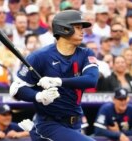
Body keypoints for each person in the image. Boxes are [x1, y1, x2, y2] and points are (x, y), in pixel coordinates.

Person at [9, 10, 99, 141]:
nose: (82, 31)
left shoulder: (85, 53)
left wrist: (57, 81)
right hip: (50, 123)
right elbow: (16, 89)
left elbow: (91, 80)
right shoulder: (39, 56)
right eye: (78, 27)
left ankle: (35, 134)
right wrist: (39, 96)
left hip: (75, 122)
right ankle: (36, 133)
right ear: (64, 29)